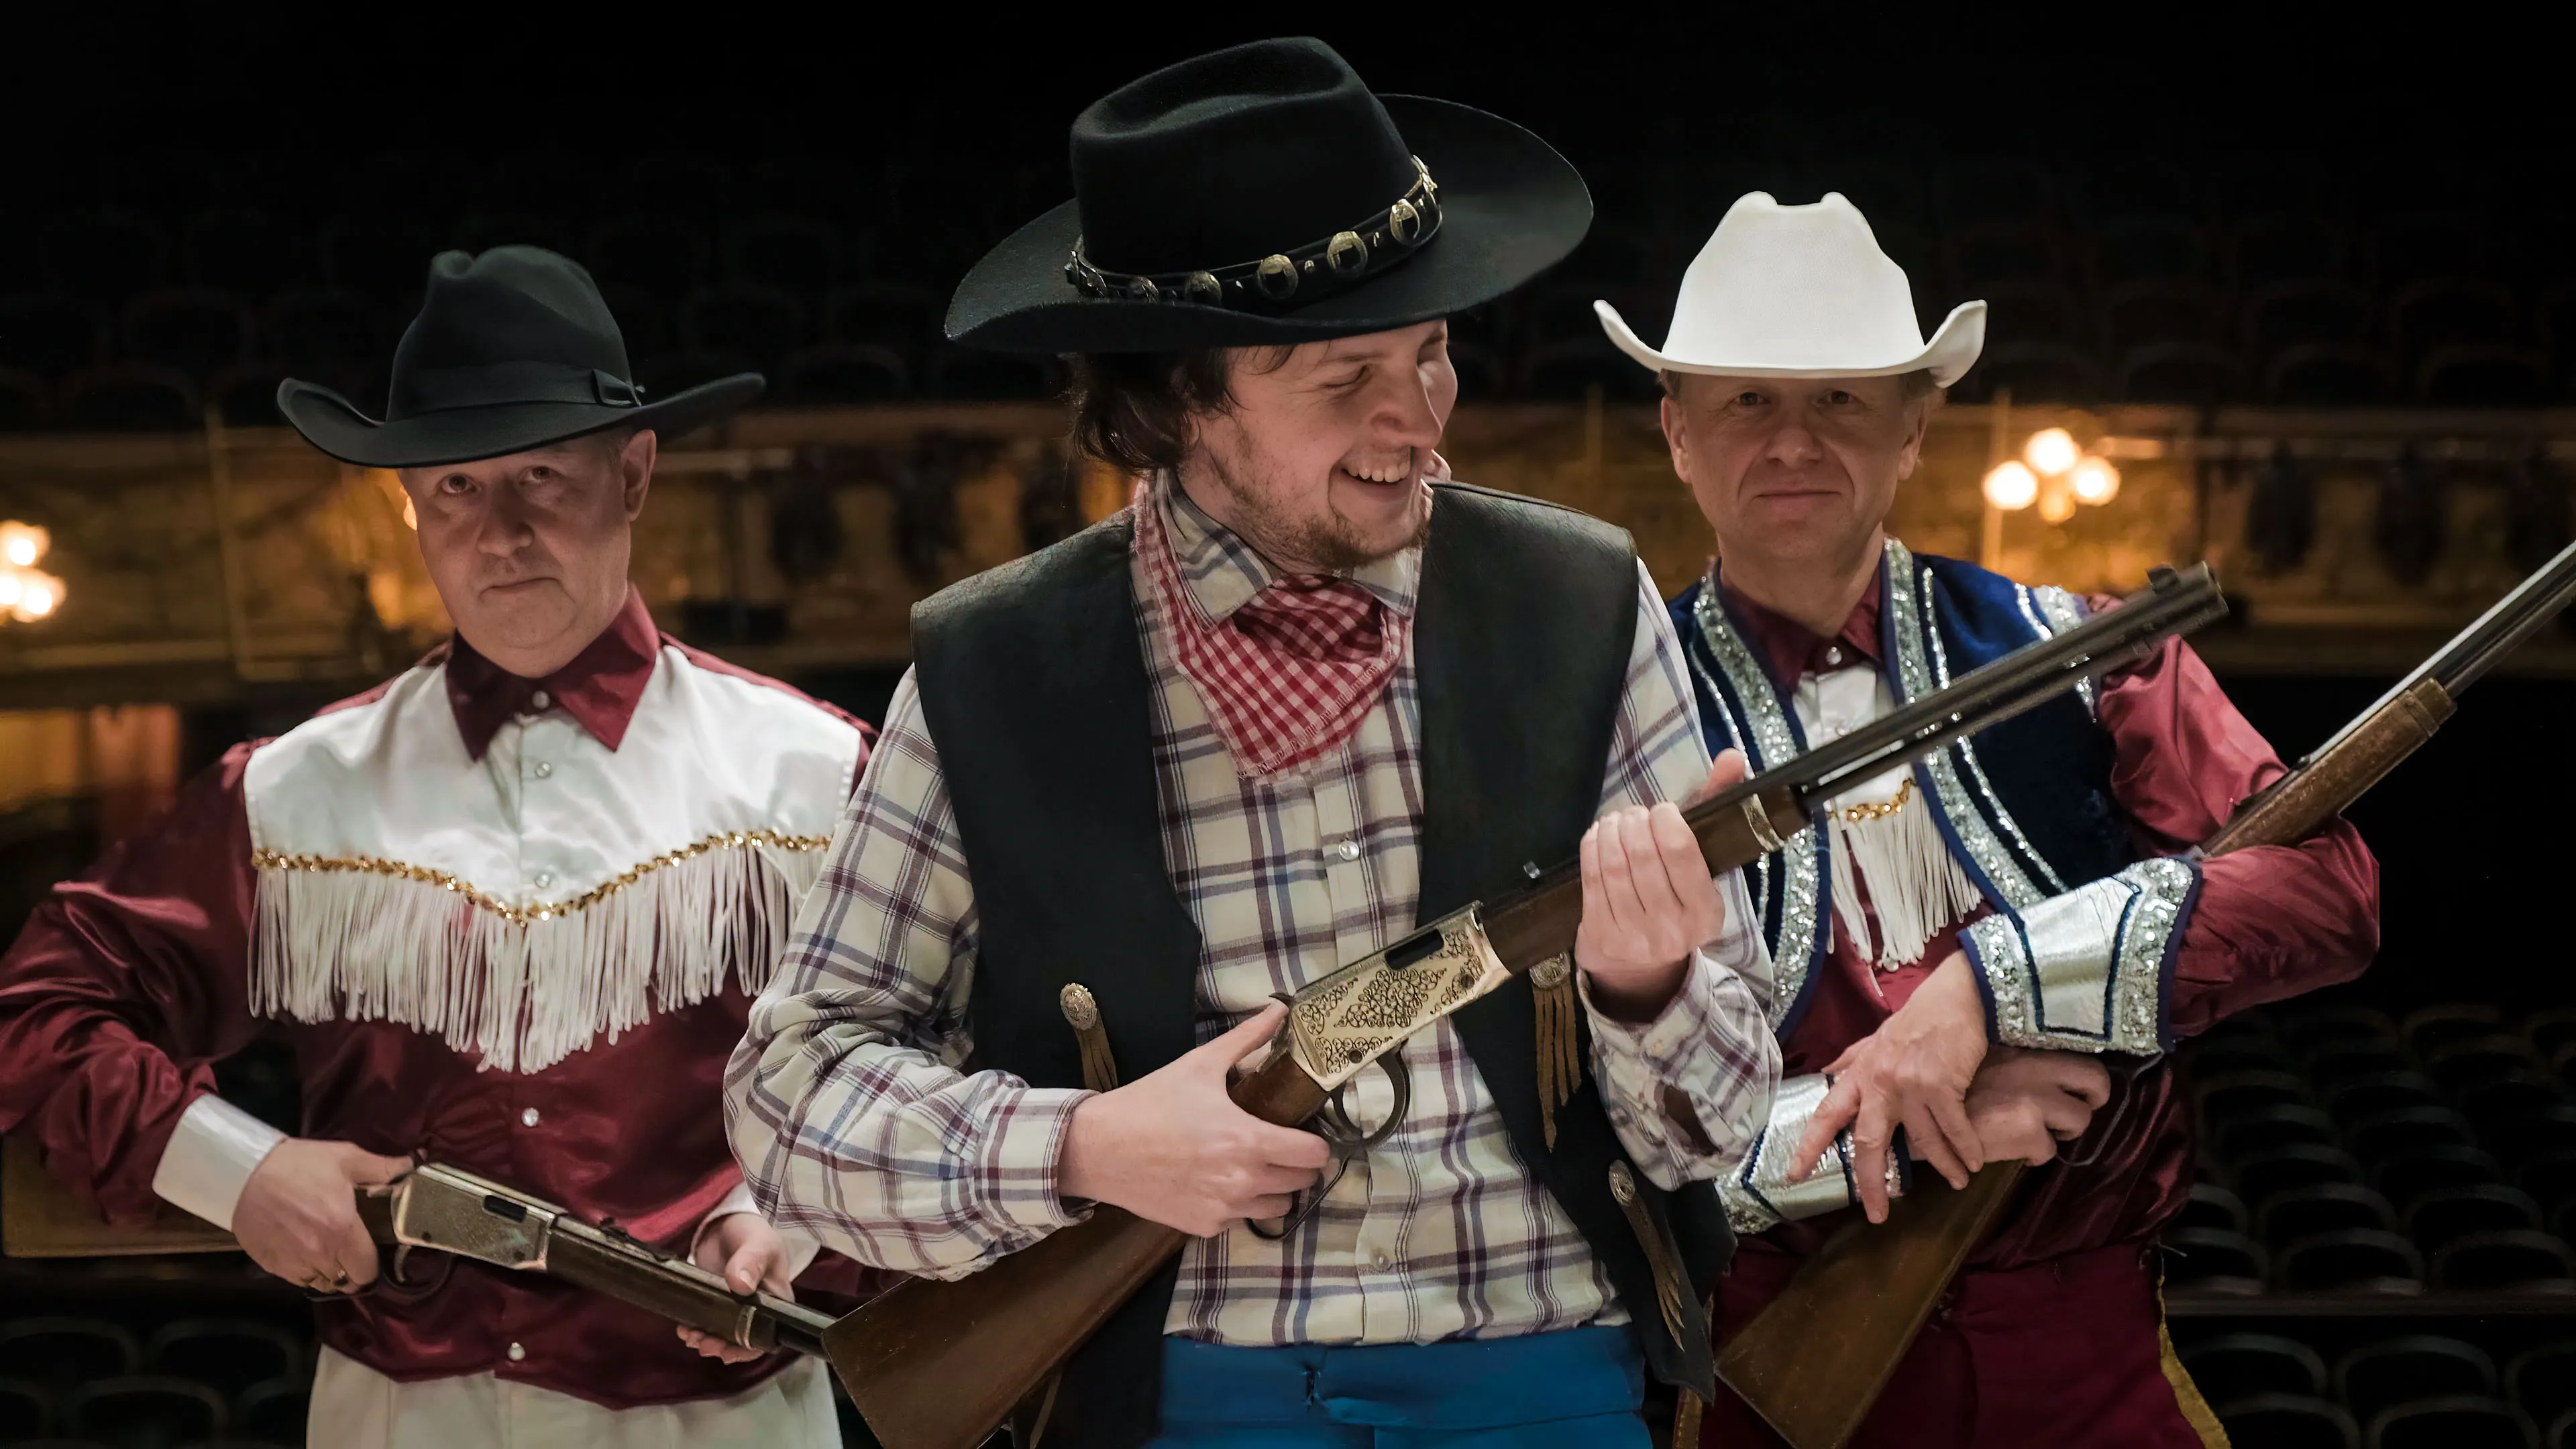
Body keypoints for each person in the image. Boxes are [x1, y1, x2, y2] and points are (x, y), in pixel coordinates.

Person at [727, 38, 1780, 1449]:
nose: (1417, 424)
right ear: (1175, 400)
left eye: (1430, 355)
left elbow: (1716, 1134)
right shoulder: (993, 671)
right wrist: (1090, 1150)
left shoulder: (1586, 603)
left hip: (1545, 1383)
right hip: (1172, 1407)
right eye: (1346, 377)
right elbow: (790, 1102)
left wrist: (1648, 989)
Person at [0, 246, 865, 1446]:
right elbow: (37, 1014)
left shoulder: (814, 773)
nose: (500, 534)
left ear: (635, 473)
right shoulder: (295, 789)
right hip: (399, 1419)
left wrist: (806, 1222)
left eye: (542, 477)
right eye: (456, 487)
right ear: (408, 508)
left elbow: (952, 1054)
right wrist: (237, 1171)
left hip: (730, 1417)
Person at [1595, 192, 2380, 1446]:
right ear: (1677, 433)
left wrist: (1989, 991)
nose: (1792, 441)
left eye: (1842, 399)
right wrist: (1925, 1135)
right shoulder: (1610, 716)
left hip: (2090, 1359)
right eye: (1746, 400)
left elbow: (2326, 893)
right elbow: (1588, 1120)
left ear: (1915, 428)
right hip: (1768, 1359)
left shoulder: (2084, 649)